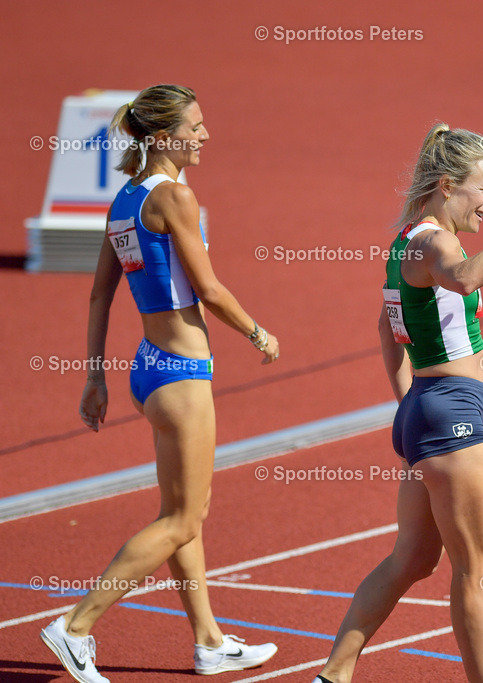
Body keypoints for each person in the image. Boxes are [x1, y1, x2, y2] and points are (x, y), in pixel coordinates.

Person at [41, 84, 280, 682]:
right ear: (160, 136)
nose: (204, 136)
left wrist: (93, 378)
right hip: (181, 376)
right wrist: (258, 334)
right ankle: (74, 626)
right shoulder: (175, 196)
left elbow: (100, 292)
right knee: (181, 519)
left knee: (184, 514)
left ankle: (209, 642)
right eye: (194, 127)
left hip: (148, 368)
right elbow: (209, 289)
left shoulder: (125, 197)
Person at [313, 123, 483, 683]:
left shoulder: (406, 240)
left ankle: (334, 674)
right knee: (477, 570)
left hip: (429, 410)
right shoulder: (438, 244)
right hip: (448, 415)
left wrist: (411, 404)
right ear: (450, 185)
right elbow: (467, 275)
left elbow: (386, 329)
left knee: (414, 559)